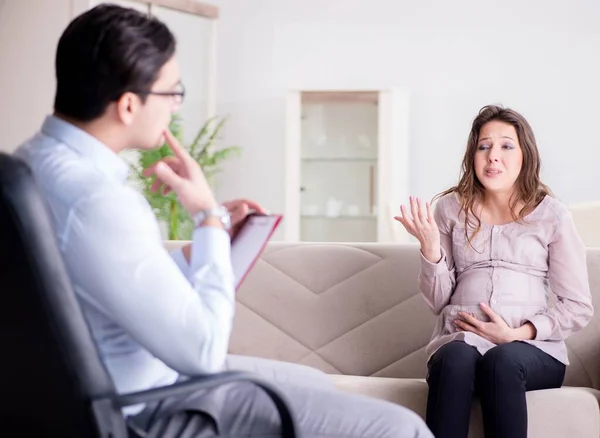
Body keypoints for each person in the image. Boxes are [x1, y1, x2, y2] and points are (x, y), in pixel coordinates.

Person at [14, 4, 432, 437]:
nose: (176, 107)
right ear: (127, 105)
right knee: (399, 428)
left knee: (313, 383)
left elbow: (100, 287)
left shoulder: (30, 168)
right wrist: (208, 217)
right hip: (148, 407)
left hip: (100, 390)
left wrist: (202, 247)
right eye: (171, 93)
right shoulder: (100, 201)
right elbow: (203, 350)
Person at [394, 104, 594, 438]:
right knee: (455, 359)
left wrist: (517, 335)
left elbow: (578, 306)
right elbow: (438, 302)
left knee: (501, 362)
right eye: (484, 146)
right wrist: (430, 249)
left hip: (532, 351)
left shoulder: (553, 215)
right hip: (461, 340)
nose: (493, 157)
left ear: (525, 156)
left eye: (506, 146)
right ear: (472, 156)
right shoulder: (449, 209)